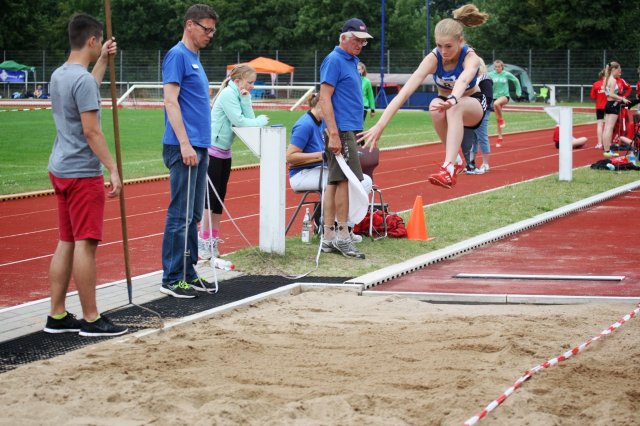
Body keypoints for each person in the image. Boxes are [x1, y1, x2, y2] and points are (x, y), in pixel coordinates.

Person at [44, 14, 127, 337]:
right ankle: (91, 318)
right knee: (85, 243)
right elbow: (92, 132)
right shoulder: (80, 81)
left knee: (66, 240)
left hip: (60, 167)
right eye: (99, 44)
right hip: (81, 173)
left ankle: (57, 314)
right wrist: (113, 168)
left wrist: (104, 60)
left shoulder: (60, 75)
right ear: (92, 40)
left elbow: (87, 85)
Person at [359, 4, 489, 189]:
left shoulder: (471, 58)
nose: (443, 52)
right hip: (448, 102)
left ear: (460, 41)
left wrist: (453, 99)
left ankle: (448, 168)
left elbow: (463, 80)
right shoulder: (433, 59)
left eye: (448, 46)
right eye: (438, 46)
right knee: (435, 107)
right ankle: (456, 159)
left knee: (454, 107)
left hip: (473, 103)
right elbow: (405, 93)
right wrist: (380, 125)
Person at [160, 4, 219, 299]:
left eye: (213, 30)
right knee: (180, 214)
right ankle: (172, 277)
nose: (211, 35)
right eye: (206, 29)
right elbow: (171, 101)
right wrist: (184, 143)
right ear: (190, 25)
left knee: (194, 213)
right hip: (184, 145)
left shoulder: (195, 58)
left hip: (200, 145)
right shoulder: (177, 56)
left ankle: (188, 272)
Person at [198, 64, 269, 259]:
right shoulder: (229, 94)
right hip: (213, 150)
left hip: (224, 151)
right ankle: (203, 240)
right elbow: (241, 122)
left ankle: (213, 239)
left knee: (219, 199)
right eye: (250, 82)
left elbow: (249, 119)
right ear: (237, 81)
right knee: (209, 199)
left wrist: (246, 98)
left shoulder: (239, 94)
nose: (253, 86)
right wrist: (260, 121)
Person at [318, 18, 373, 259]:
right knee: (345, 182)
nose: (360, 44)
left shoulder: (352, 61)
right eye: (356, 40)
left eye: (363, 41)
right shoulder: (335, 60)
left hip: (346, 128)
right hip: (340, 129)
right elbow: (324, 98)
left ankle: (329, 236)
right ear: (343, 38)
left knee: (334, 181)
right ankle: (342, 235)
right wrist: (333, 133)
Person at [286, 92, 371, 242]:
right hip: (302, 174)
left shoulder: (322, 123)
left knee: (365, 181)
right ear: (321, 105)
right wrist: (322, 155)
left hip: (319, 170)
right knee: (344, 183)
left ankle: (346, 228)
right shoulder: (304, 125)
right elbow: (290, 157)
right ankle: (336, 229)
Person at [460, 57, 492, 174]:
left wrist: (480, 109)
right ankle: (471, 163)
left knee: (481, 136)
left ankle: (486, 163)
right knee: (471, 137)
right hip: (470, 111)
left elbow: (488, 97)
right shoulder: (469, 78)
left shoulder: (485, 79)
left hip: (483, 110)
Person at [489, 59, 521, 147]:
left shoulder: (506, 74)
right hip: (494, 97)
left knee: (496, 104)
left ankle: (502, 119)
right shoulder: (491, 74)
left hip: (504, 96)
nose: (497, 68)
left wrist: (518, 92)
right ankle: (499, 137)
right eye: (495, 67)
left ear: (502, 67)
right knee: (497, 119)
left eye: (499, 67)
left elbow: (516, 81)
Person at [602, 62, 630, 157]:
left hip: (608, 104)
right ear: (614, 69)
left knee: (606, 128)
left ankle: (606, 150)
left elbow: (607, 93)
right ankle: (607, 150)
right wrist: (622, 98)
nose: (619, 72)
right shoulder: (613, 80)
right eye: (619, 70)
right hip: (613, 104)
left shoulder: (606, 78)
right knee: (609, 128)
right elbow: (611, 94)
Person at [590, 70, 607, 149]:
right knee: (608, 125)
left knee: (600, 125)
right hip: (609, 106)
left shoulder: (596, 84)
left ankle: (600, 143)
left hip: (599, 106)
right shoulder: (610, 83)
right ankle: (607, 143)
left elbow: (593, 97)